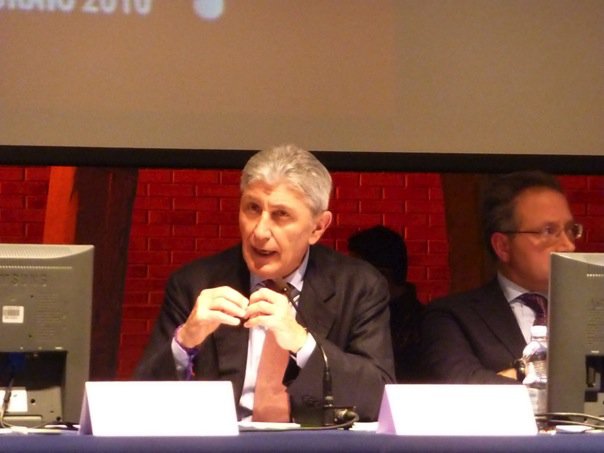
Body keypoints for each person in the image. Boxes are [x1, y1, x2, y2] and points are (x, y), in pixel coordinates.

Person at [134, 144, 395, 423]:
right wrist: (185, 342)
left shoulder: (358, 286)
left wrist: (303, 344)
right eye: (252, 209)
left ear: (318, 227)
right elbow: (138, 404)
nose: (259, 232)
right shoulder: (194, 284)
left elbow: (377, 397)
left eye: (281, 215)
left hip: (314, 442)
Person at [417, 170, 581, 384]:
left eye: (570, 230)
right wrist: (531, 369)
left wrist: (508, 374)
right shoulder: (453, 317)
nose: (568, 246)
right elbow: (466, 385)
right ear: (502, 246)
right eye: (548, 231)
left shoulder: (591, 308)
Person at [348, 225, 424, 382]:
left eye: (354, 273)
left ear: (381, 276)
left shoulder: (420, 326)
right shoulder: (417, 318)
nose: (346, 280)